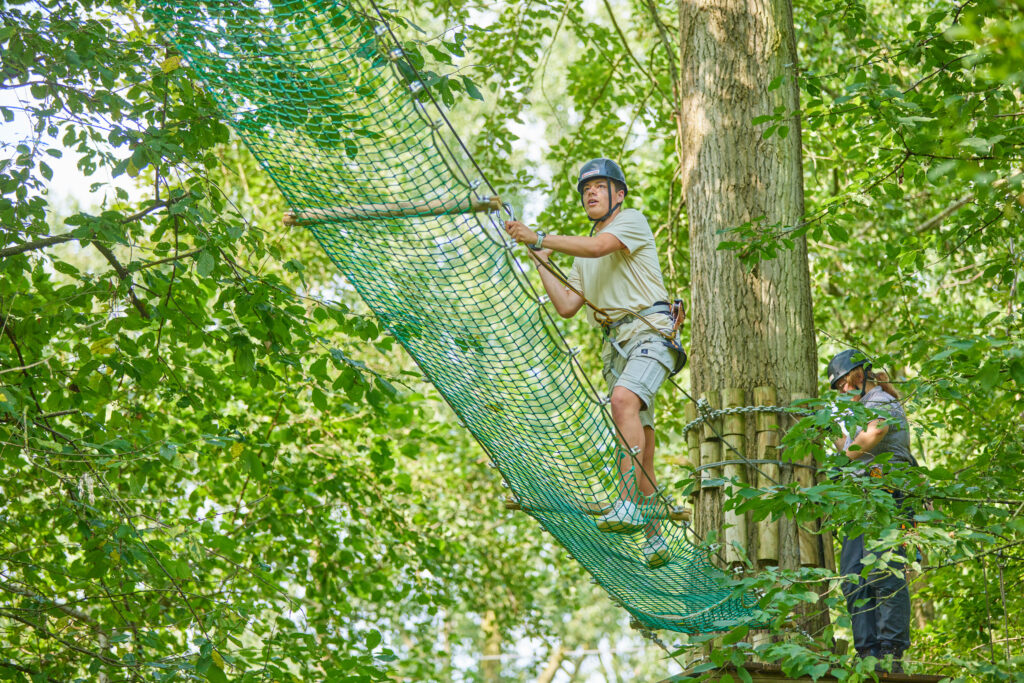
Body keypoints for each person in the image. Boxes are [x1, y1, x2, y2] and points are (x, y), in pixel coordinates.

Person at [504, 158, 681, 569]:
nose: (591, 193)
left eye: (600, 186)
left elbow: (601, 246)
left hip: (649, 332)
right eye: (586, 189)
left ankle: (627, 504)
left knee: (623, 403)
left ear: (618, 194)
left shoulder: (630, 222)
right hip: (614, 345)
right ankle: (653, 539)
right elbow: (567, 305)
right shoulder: (582, 256)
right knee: (642, 442)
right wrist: (540, 256)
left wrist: (543, 234)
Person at [827, 349, 914, 673]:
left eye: (843, 386)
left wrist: (842, 438)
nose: (842, 393)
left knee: (885, 573)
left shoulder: (881, 403)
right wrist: (827, 426)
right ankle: (868, 654)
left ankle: (891, 654)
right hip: (859, 501)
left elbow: (868, 440)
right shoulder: (858, 409)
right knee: (853, 577)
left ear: (858, 378)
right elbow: (848, 446)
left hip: (887, 496)